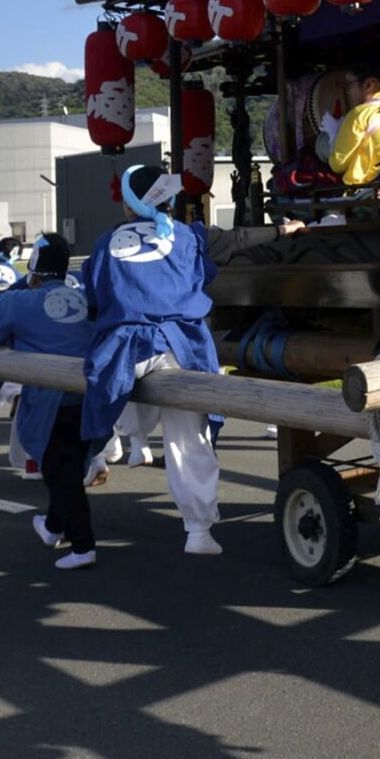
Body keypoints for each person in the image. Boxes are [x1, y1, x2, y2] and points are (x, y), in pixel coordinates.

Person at [81, 165, 232, 558]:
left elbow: (94, 299)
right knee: (188, 437)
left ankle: (127, 444)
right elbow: (204, 277)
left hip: (122, 348)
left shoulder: (104, 242)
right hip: (182, 347)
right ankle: (198, 530)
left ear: (129, 202)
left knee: (113, 399)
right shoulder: (186, 235)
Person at [0, 234, 105, 568]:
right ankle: (53, 527)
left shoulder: (23, 301)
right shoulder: (84, 298)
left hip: (50, 399)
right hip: (90, 396)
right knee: (66, 466)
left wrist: (13, 292)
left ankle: (83, 546)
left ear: (34, 269)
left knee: (61, 473)